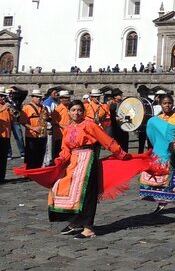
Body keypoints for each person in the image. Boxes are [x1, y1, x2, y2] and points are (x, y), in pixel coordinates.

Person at [18, 100, 144, 239]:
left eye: (79, 110)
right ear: (69, 112)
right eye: (73, 110)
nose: (76, 113)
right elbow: (65, 149)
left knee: (87, 194)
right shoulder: (68, 128)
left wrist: (120, 153)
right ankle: (75, 222)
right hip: (74, 162)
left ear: (83, 112)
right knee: (59, 187)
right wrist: (60, 160)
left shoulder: (89, 125)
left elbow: (106, 140)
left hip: (87, 160)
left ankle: (88, 228)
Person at [19, 89, 50, 169]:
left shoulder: (44, 107)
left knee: (40, 154)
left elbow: (47, 118)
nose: (39, 99)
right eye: (36, 97)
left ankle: (37, 170)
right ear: (32, 97)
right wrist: (33, 128)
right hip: (31, 135)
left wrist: (46, 118)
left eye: (40, 97)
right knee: (31, 155)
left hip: (42, 134)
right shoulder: (26, 107)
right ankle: (29, 172)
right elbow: (22, 121)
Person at [51, 90, 72, 159]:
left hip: (69, 134)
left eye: (68, 97)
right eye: (65, 98)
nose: (68, 99)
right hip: (60, 135)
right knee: (59, 153)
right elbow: (54, 122)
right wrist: (64, 126)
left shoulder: (70, 108)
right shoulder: (58, 109)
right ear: (61, 99)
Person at [6, 87, 25, 159]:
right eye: (9, 93)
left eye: (11, 93)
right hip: (7, 120)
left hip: (15, 120)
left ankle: (22, 152)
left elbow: (24, 92)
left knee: (19, 137)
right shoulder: (4, 100)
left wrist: (15, 88)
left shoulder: (17, 99)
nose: (10, 94)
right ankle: (8, 153)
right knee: (7, 137)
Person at [0, 88, 13, 183]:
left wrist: (12, 112)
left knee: (3, 157)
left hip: (6, 135)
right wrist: (3, 108)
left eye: (3, 96)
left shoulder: (6, 106)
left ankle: (2, 177)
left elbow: (12, 120)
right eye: (0, 96)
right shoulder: (3, 107)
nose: (2, 98)